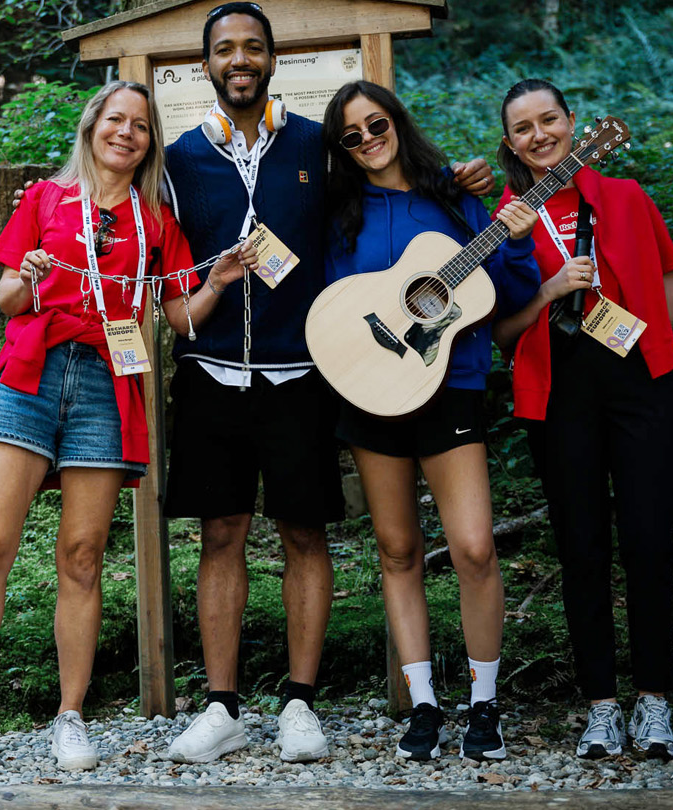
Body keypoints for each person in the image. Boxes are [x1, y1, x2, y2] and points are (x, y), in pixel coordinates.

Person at [160, 2, 496, 765]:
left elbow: (395, 181)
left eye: (252, 47)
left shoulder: (321, 145)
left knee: (305, 534)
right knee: (220, 534)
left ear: (273, 59)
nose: (239, 59)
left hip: (304, 371)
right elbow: (119, 203)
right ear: (205, 65)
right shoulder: (179, 158)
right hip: (212, 370)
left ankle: (300, 705)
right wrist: (44, 206)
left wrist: (458, 178)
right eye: (224, 49)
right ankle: (221, 706)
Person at [0, 80, 251, 773]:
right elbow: (7, 299)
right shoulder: (43, 200)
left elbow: (178, 317)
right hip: (30, 373)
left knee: (84, 555)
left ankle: (70, 717)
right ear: (92, 125)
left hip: (105, 381)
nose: (127, 133)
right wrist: (28, 273)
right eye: (115, 119)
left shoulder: (156, 222)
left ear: (149, 143)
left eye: (141, 126)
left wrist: (219, 280)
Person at [319, 80, 540, 761]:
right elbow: (337, 305)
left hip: (450, 388)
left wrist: (518, 245)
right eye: (350, 136)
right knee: (397, 551)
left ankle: (484, 703)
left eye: (374, 124)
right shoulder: (342, 213)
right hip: (371, 392)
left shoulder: (455, 195)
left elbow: (506, 290)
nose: (366, 141)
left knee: (473, 547)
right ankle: (422, 708)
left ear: (397, 121)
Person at [491, 78, 673, 760]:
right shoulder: (509, 218)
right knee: (581, 548)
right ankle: (602, 707)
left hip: (640, 384)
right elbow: (504, 332)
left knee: (649, 541)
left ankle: (654, 701)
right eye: (523, 128)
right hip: (558, 393)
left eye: (550, 120)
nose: (539, 135)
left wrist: (638, 340)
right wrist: (549, 290)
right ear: (509, 142)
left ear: (573, 123)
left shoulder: (628, 198)